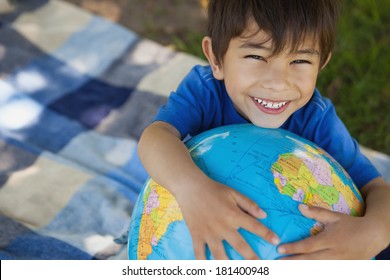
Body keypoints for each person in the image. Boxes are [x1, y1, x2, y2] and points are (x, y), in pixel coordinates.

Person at [138, 0, 390, 259]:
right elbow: (156, 136)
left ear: (321, 63)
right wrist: (191, 189)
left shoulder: (316, 118)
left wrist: (376, 232)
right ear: (216, 57)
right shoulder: (206, 91)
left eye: (300, 60)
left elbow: (377, 188)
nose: (278, 83)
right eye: (257, 56)